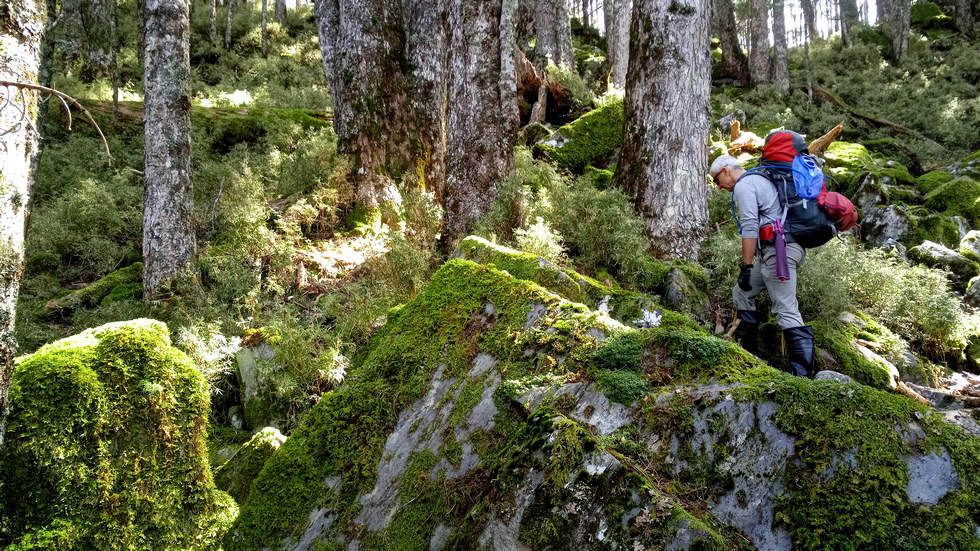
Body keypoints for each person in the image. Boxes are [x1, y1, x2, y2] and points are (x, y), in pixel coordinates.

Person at [709, 154, 815, 378]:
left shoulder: (745, 185)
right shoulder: (762, 178)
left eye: (716, 180)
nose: (718, 187)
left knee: (785, 307)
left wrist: (746, 266)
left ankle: (803, 376)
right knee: (742, 291)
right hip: (781, 251)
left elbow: (749, 227)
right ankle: (747, 353)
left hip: (780, 252)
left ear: (726, 170)